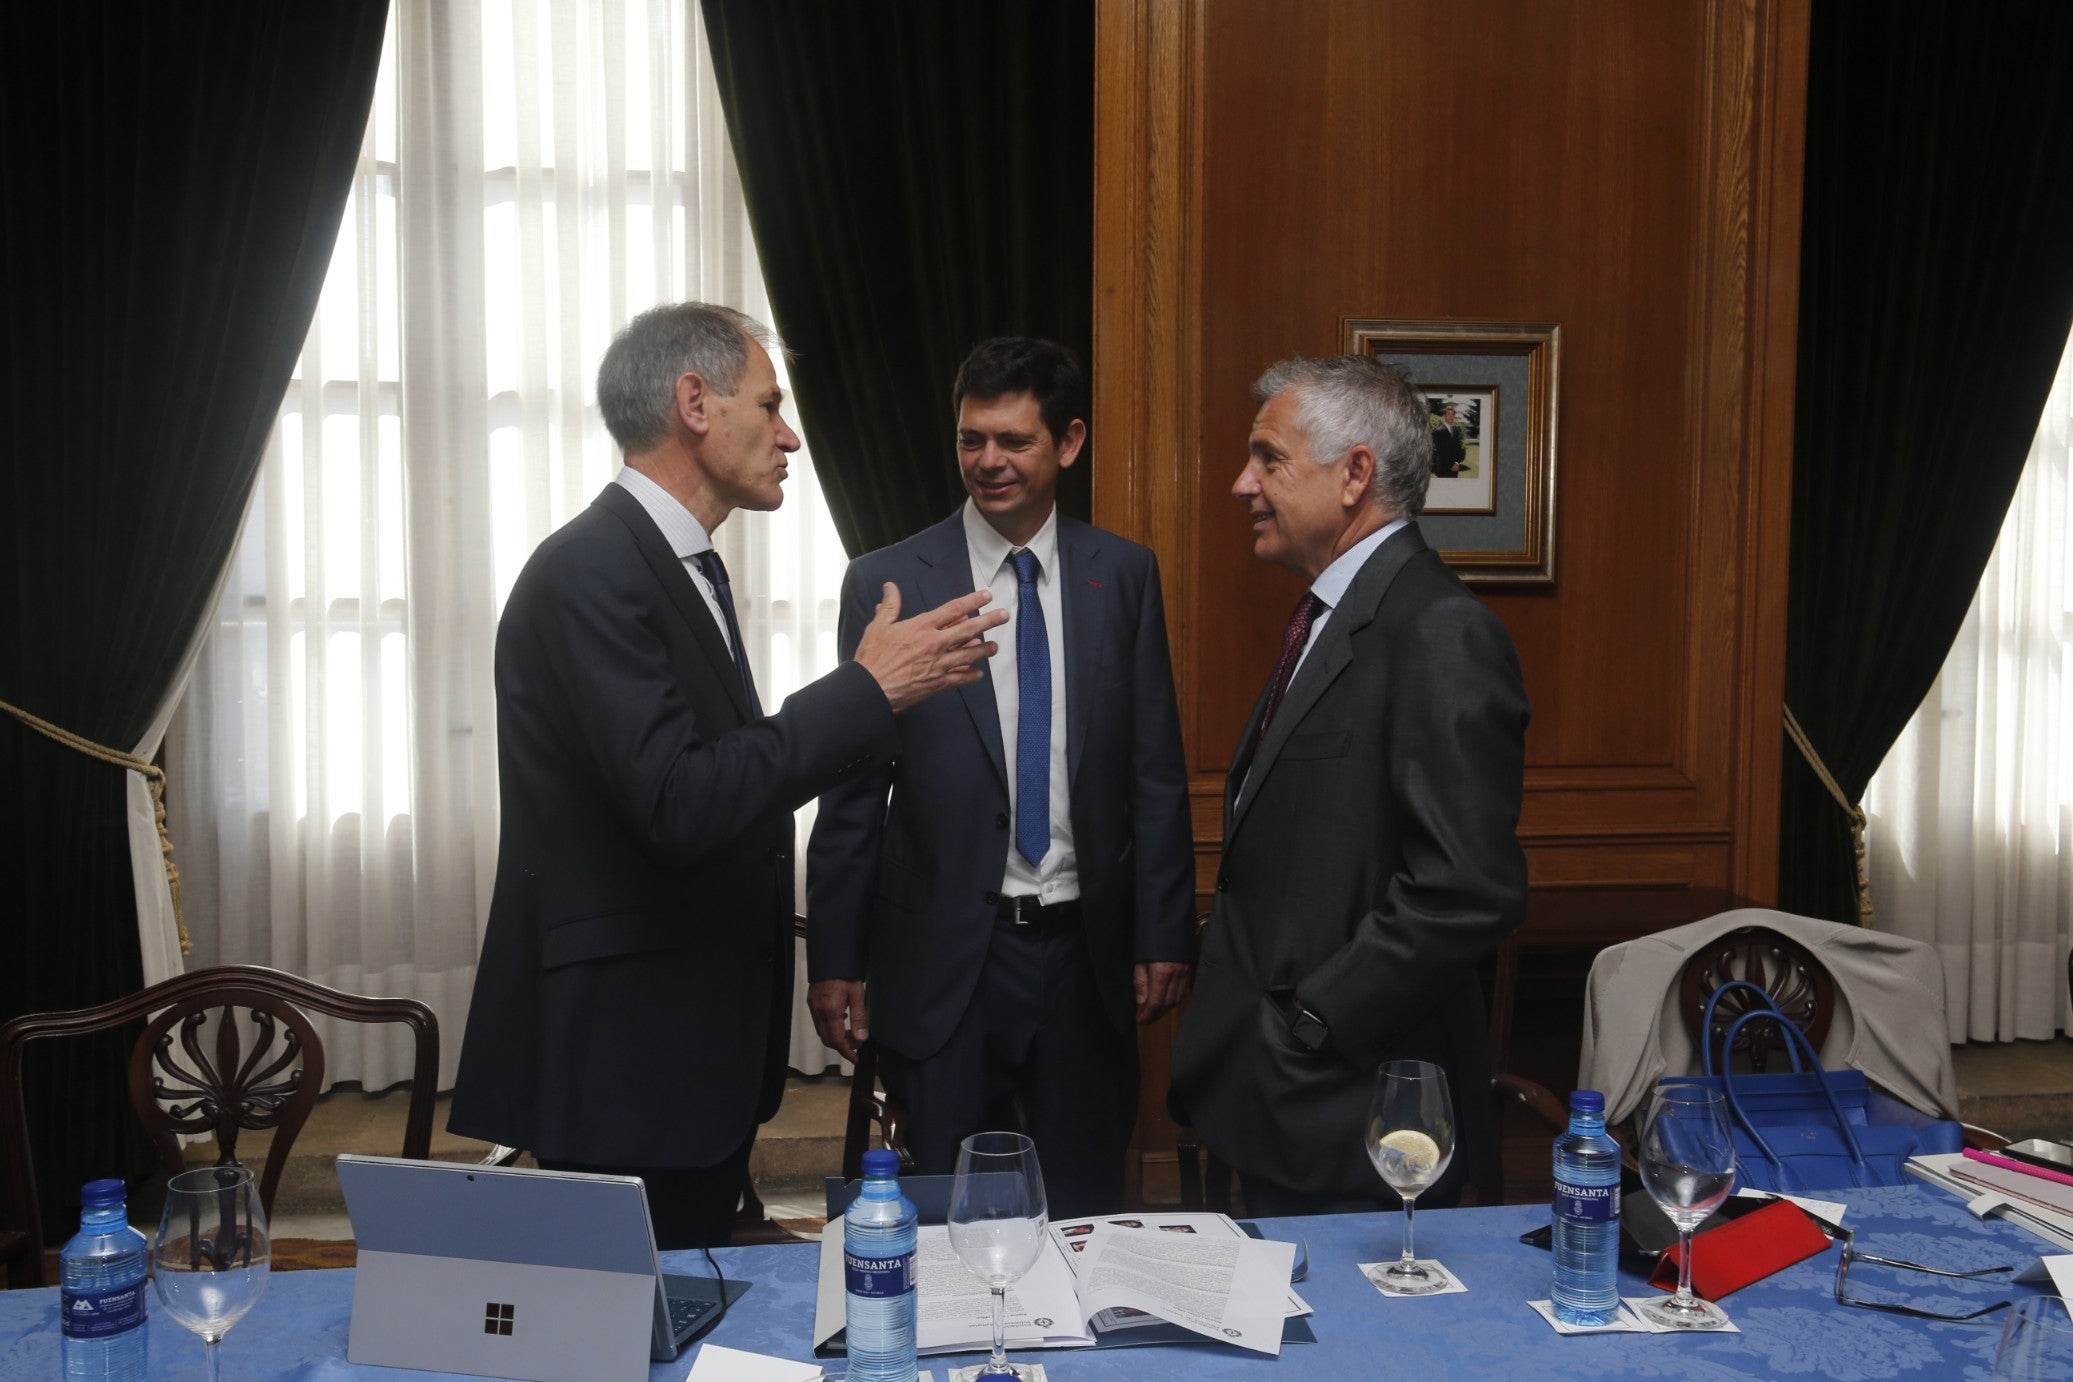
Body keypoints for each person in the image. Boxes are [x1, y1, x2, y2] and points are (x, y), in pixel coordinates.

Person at [449, 303, 1008, 1248]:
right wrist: (863, 692)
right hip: (625, 1062)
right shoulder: (591, 570)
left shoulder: (673, 565)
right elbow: (681, 801)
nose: (789, 435)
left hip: (679, 1059)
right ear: (694, 403)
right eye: (771, 405)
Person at [806, 337, 1195, 1217]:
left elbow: (1153, 767)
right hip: (946, 962)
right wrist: (835, 957)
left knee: (1088, 1208)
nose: (988, 462)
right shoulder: (888, 581)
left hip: (1082, 959)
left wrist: (1163, 930)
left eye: (1014, 441)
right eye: (971, 439)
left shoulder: (1123, 575)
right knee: (945, 1216)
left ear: (1068, 442)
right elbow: (853, 789)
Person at [1168, 354, 1528, 1216]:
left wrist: (1312, 1021)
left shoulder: (1438, 629)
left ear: (1354, 473)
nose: (1239, 484)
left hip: (1358, 1107)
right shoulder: (1333, 617)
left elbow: (1466, 889)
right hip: (1290, 1105)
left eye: (1267, 458)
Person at [1430, 401, 1467, 477]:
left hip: (1455, 469)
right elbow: (1441, 452)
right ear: (1444, 416)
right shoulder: (1439, 431)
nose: (1451, 416)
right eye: (1448, 414)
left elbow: (1458, 448)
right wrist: (1452, 465)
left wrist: (1457, 463)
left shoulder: (1456, 430)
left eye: (1453, 414)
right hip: (1443, 469)